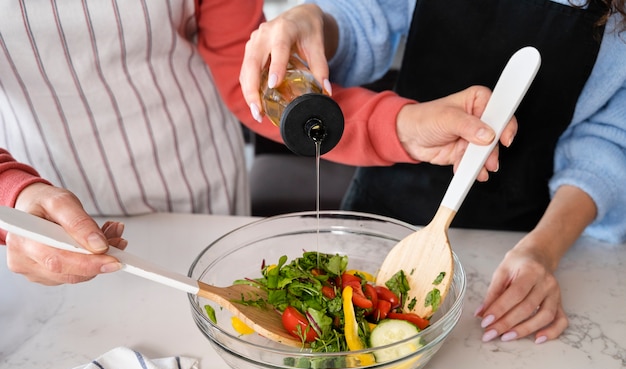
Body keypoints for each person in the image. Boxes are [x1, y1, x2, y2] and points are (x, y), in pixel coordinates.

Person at [0, 1, 513, 285]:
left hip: (202, 183)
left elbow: (250, 81)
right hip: (42, 213)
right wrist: (14, 195)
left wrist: (404, 125)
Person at [238, 0, 626, 344]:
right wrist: (315, 20)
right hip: (382, 206)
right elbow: (363, 16)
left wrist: (541, 251)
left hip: (517, 239)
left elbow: (608, 143)